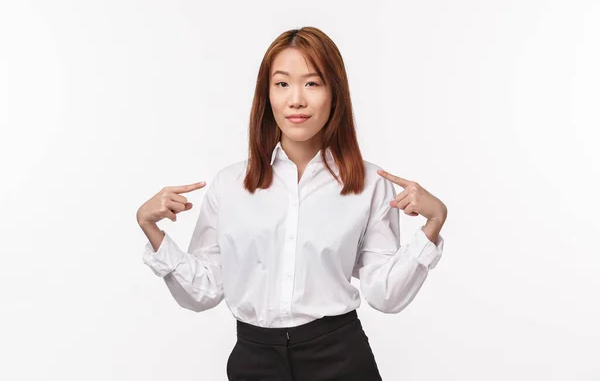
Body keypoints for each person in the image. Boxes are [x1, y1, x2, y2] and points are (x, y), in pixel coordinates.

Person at [136, 26, 448, 381]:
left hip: (340, 358)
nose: (296, 99)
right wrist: (151, 229)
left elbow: (384, 295)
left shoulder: (369, 182)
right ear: (266, 94)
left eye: (312, 83)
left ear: (335, 93)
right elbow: (203, 291)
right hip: (254, 361)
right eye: (282, 84)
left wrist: (432, 225)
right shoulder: (230, 185)